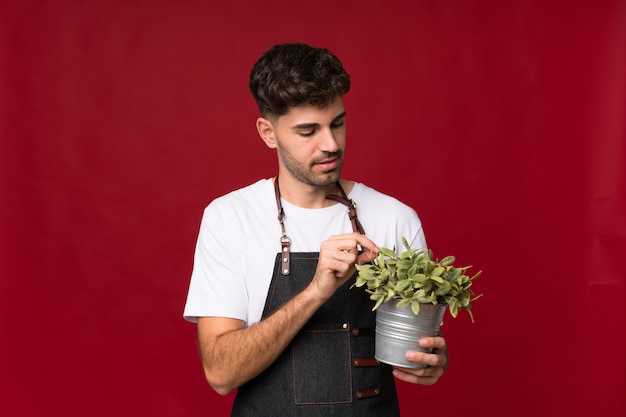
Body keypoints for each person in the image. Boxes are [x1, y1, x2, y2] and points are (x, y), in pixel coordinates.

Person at [183, 42, 448, 416]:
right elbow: (221, 373)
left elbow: (417, 347)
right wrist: (315, 292)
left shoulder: (395, 218)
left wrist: (429, 359)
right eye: (308, 131)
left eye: (337, 123)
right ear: (268, 132)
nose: (330, 144)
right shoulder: (229, 218)